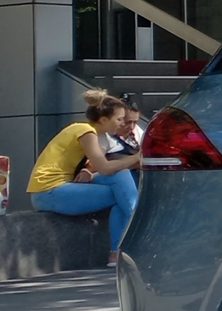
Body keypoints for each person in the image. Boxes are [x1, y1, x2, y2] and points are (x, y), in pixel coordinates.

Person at [29, 89, 143, 265]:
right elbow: (104, 168)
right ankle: (134, 236)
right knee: (119, 193)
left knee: (120, 177)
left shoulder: (96, 134)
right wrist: (136, 158)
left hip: (63, 187)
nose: (121, 124)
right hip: (48, 192)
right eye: (119, 119)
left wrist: (89, 172)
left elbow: (100, 167)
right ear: (104, 120)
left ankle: (118, 251)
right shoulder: (86, 132)